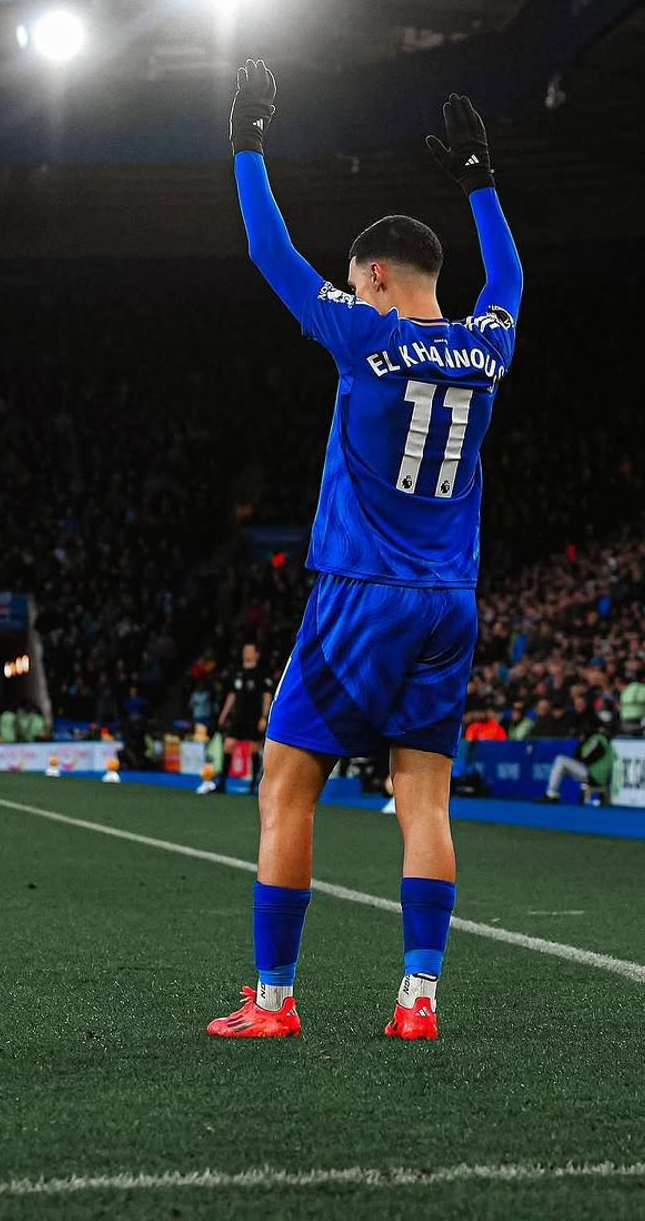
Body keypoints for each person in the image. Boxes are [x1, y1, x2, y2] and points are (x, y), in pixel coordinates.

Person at [206, 67, 522, 1043]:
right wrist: (480, 176)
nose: (349, 290)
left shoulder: (362, 333)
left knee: (286, 783)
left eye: (354, 279)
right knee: (423, 797)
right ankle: (418, 999)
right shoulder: (485, 347)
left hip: (361, 594)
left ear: (376, 277)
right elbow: (507, 282)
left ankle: (273, 1002)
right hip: (450, 600)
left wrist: (247, 137)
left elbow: (268, 249)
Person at [215, 642, 272, 795]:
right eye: (245, 650)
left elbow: (267, 696)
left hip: (254, 717)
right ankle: (222, 783)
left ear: (257, 654)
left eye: (249, 650)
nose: (246, 652)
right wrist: (224, 714)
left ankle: (254, 784)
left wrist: (264, 717)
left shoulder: (261, 673)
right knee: (228, 745)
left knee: (254, 748)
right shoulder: (237, 672)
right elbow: (232, 694)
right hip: (238, 716)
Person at [540, 719, 613, 805]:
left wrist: (582, 742)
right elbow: (581, 758)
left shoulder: (597, 738)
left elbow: (584, 757)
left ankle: (552, 794)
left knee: (560, 760)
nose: (581, 734)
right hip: (596, 774)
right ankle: (552, 794)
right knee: (561, 764)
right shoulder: (597, 738)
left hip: (596, 775)